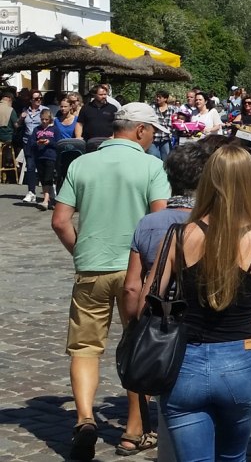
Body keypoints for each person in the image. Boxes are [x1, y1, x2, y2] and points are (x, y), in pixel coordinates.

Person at [142, 145, 251, 461]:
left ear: (207, 182)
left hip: (185, 361)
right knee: (233, 457)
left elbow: (146, 304)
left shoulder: (178, 237)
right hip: (239, 361)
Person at [50, 103, 170, 461]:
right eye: (152, 133)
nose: (152, 139)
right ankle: (133, 431)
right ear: (140, 130)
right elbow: (159, 222)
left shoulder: (81, 164)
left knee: (85, 347)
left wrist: (82, 250)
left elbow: (60, 221)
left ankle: (85, 419)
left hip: (92, 267)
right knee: (138, 345)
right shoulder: (151, 166)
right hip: (136, 270)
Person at [122, 136, 235, 458]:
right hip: (209, 332)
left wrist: (136, 325)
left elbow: (132, 286)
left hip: (163, 330)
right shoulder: (217, 224)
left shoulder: (149, 223)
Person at [27, 108, 57, 210]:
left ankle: (45, 200)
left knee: (48, 177)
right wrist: (37, 142)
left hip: (50, 156)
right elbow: (31, 143)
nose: (44, 121)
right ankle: (49, 199)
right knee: (42, 178)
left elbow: (58, 142)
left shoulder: (54, 129)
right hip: (39, 156)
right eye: (42, 119)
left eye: (46, 119)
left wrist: (50, 142)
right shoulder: (37, 129)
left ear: (50, 119)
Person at [18, 90, 45, 204]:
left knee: (43, 167)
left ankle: (47, 192)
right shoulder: (25, 111)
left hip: (41, 142)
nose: (39, 100)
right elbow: (17, 125)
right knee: (30, 167)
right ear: (30, 100)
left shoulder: (44, 110)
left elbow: (50, 125)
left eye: (40, 98)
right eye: (36, 99)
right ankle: (31, 192)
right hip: (28, 142)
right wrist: (21, 118)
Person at [79, 84, 119, 150]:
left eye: (105, 94)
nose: (104, 96)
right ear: (94, 95)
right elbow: (80, 123)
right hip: (88, 142)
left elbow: (117, 124)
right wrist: (78, 137)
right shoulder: (86, 108)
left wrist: (113, 136)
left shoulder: (113, 108)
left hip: (107, 142)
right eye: (101, 95)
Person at [150, 90, 177, 161]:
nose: (157, 98)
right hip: (153, 138)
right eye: (157, 97)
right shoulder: (152, 108)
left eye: (160, 97)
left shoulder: (173, 109)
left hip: (166, 138)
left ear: (165, 99)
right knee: (154, 157)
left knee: (166, 159)